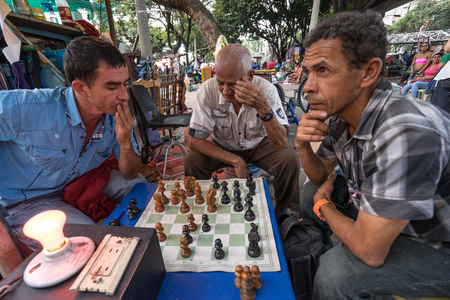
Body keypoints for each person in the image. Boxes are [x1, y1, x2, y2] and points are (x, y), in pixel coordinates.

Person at [296, 11, 450, 299]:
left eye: (323, 70)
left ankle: (335, 265)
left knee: (336, 275)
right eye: (308, 72)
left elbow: (371, 252)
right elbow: (319, 175)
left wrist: (324, 208)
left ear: (368, 72)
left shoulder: (406, 132)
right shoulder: (341, 117)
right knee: (309, 191)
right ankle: (331, 251)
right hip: (386, 214)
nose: (307, 86)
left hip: (435, 242)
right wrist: (303, 145)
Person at [0, 36, 146, 250]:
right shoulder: (27, 108)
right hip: (31, 200)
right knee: (92, 245)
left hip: (83, 182)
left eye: (125, 84)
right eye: (112, 86)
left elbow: (131, 172)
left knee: (142, 189)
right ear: (80, 87)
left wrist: (125, 143)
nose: (124, 96)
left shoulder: (113, 114)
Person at [184, 44, 301, 214]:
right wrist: (235, 160)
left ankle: (285, 212)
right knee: (192, 161)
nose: (225, 91)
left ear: (250, 75)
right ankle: (201, 205)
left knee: (289, 159)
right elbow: (194, 141)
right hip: (223, 145)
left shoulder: (267, 90)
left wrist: (262, 106)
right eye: (220, 83)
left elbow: (282, 141)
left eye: (232, 84)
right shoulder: (208, 90)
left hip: (258, 146)